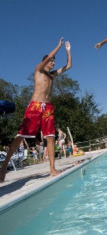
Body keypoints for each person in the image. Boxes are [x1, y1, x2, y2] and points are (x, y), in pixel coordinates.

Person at [0, 38, 72, 182]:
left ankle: (52, 168)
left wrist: (68, 51)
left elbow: (68, 66)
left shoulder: (52, 76)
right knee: (22, 136)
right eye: (51, 61)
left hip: (48, 108)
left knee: (51, 137)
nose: (53, 63)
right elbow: (49, 57)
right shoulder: (38, 70)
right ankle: (3, 169)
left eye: (54, 61)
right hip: (35, 106)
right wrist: (58, 46)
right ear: (45, 62)